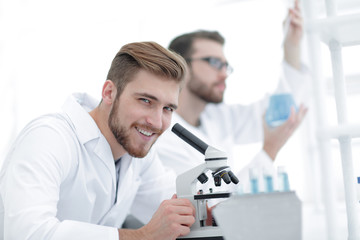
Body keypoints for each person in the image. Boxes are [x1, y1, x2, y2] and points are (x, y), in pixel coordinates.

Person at [0, 41, 196, 240]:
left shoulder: (137, 153)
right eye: (145, 101)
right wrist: (143, 236)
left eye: (168, 109)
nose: (156, 121)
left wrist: (219, 206)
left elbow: (181, 204)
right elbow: (27, 233)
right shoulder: (49, 137)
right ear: (109, 93)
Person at [155, 0, 309, 191]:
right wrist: (270, 149)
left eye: (226, 66)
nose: (223, 74)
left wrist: (292, 46)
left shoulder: (217, 117)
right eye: (214, 63)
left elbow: (280, 110)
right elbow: (210, 202)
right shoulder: (161, 134)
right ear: (181, 67)